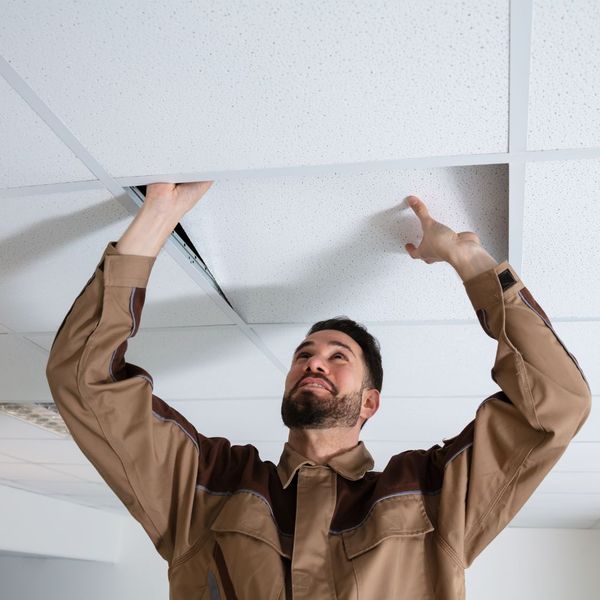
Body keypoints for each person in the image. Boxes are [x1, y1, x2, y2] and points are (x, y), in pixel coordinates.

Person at [46, 182, 591, 599]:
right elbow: (83, 381)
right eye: (303, 356)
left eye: (337, 357)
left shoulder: (433, 497)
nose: (313, 364)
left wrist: (470, 261)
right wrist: (154, 223)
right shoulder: (209, 486)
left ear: (370, 402)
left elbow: (556, 405)